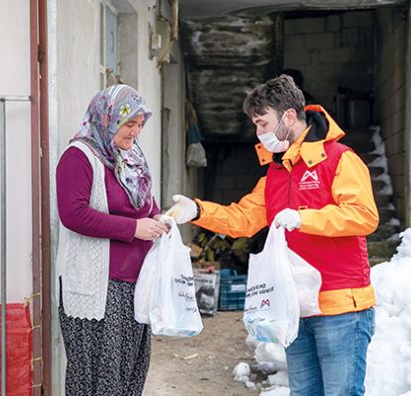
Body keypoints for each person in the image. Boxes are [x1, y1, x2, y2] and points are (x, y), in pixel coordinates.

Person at [167, 75, 379, 395]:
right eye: (256, 124)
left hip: (341, 309)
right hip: (295, 308)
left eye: (262, 122)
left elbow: (364, 216)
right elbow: (243, 219)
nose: (259, 133)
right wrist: (198, 211)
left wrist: (303, 219)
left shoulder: (339, 159)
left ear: (289, 116)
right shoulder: (276, 174)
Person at [55, 84, 168, 396]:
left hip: (135, 285)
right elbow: (73, 214)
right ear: (107, 119)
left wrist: (160, 220)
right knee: (97, 380)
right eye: (128, 124)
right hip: (97, 288)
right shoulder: (79, 156)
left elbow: (147, 204)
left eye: (140, 125)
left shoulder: (131, 157)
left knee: (130, 375)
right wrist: (133, 229)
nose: (134, 132)